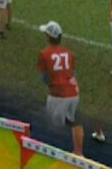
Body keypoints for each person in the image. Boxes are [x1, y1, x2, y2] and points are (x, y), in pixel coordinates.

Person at [36, 21, 83, 156]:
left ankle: (57, 156)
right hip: (74, 92)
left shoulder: (44, 54)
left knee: (53, 130)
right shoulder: (69, 53)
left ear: (48, 37)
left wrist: (54, 85)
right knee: (72, 121)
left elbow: (45, 78)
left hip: (58, 95)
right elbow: (73, 73)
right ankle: (78, 151)